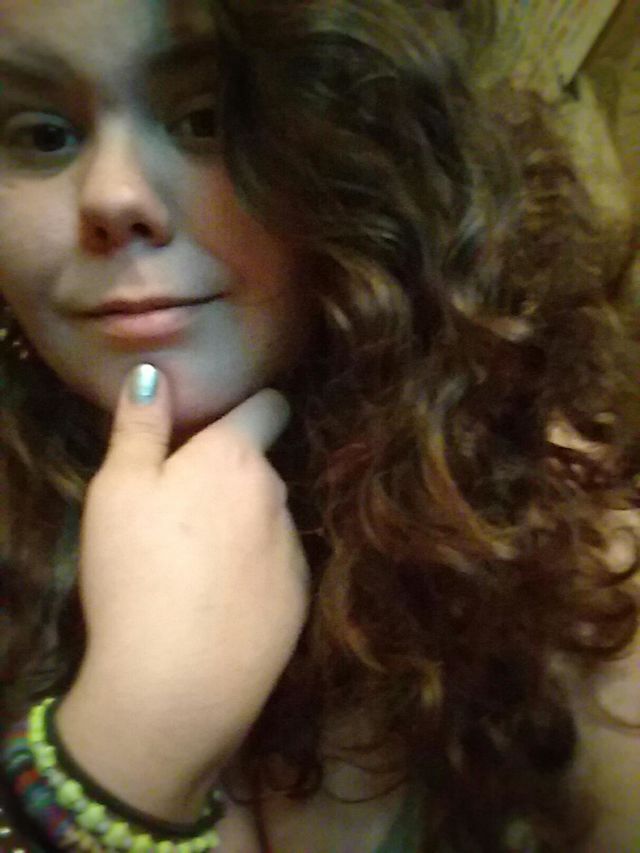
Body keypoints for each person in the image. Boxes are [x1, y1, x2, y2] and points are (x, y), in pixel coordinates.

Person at [0, 0, 638, 850]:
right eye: (42, 136)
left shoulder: (556, 543)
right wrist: (125, 752)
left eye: (207, 119)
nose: (115, 198)